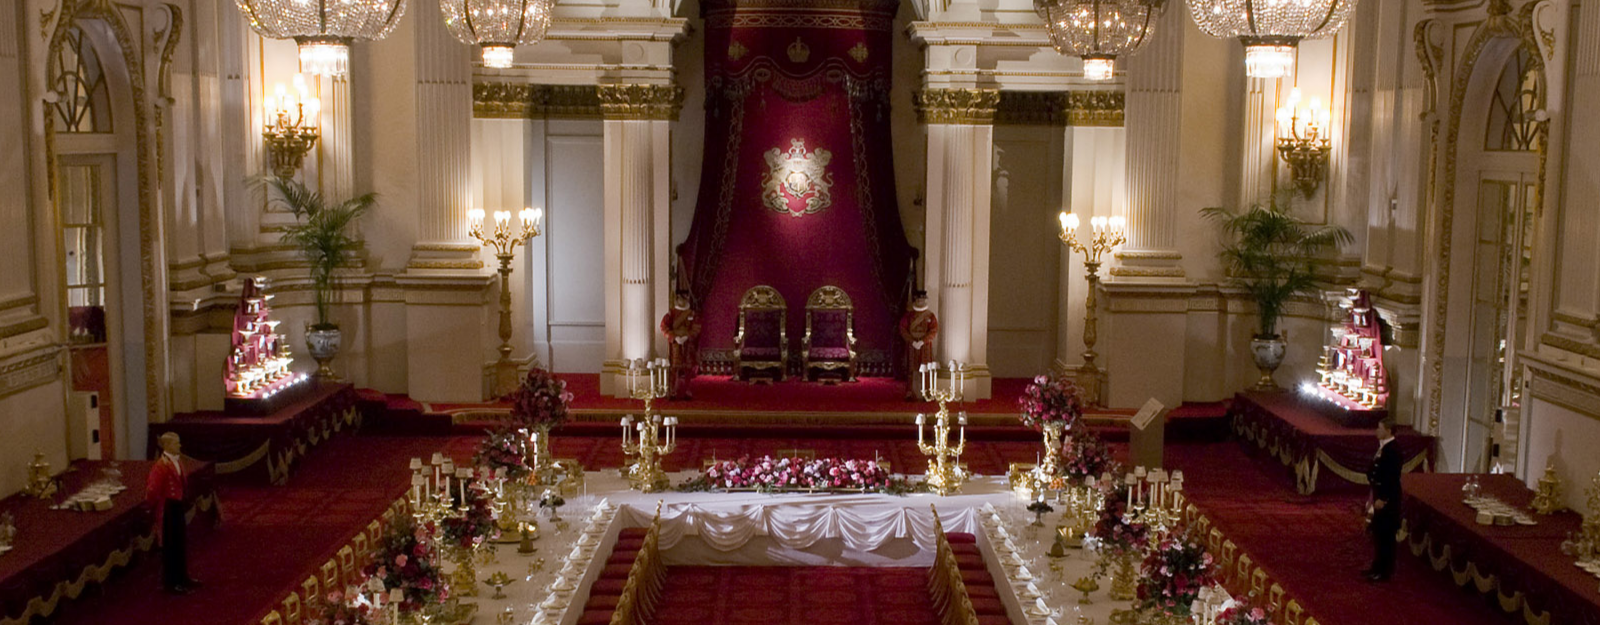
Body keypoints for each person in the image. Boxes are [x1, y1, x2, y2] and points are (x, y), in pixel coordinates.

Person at [148, 432, 201, 594]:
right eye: (177, 443)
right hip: (168, 509)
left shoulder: (177, 461)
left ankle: (183, 577)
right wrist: (152, 508)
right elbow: (152, 490)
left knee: (180, 544)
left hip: (178, 506)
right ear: (168, 445)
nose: (180, 445)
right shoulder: (161, 466)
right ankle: (172, 582)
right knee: (171, 546)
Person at [1364, 420, 1403, 582]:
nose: (1376, 431)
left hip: (1387, 500)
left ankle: (1384, 571)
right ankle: (1377, 566)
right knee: (1378, 534)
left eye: (1379, 428)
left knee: (1386, 535)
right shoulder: (1383, 447)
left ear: (1388, 431)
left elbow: (1391, 478)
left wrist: (1383, 498)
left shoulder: (1393, 450)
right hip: (1379, 494)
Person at [660, 291, 702, 400]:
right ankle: (673, 391)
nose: (682, 301)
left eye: (685, 298)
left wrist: (688, 336)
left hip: (688, 344)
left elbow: (697, 327)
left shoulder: (692, 314)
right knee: (674, 368)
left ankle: (687, 390)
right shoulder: (671, 314)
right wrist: (674, 337)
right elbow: (664, 327)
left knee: (688, 368)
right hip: (675, 344)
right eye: (680, 298)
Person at [898, 291, 938, 401]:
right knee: (911, 368)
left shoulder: (930, 316)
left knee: (926, 368)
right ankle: (910, 392)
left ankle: (927, 392)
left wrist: (923, 341)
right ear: (915, 301)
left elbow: (933, 330)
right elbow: (903, 329)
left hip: (925, 346)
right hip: (912, 345)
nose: (920, 302)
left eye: (922, 300)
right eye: (919, 300)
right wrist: (911, 341)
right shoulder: (909, 315)